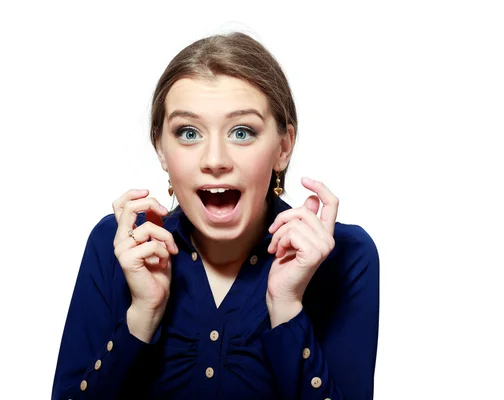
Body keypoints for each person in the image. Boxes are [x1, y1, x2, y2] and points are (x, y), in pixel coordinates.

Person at [52, 31, 379, 400]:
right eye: (189, 133)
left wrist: (287, 309)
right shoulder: (118, 244)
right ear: (161, 148)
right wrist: (141, 315)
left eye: (242, 132)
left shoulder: (346, 255)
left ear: (283, 147)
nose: (215, 161)